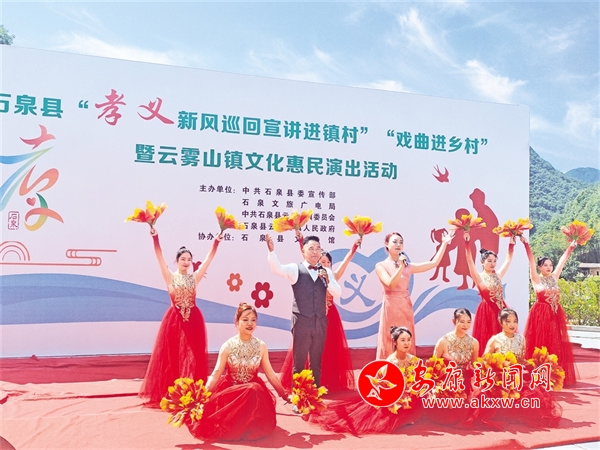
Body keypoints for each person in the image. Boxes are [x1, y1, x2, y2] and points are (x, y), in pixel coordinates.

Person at [138, 228, 222, 407]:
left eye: (189, 259)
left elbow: (208, 260)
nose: (186, 262)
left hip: (193, 321)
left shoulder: (194, 277)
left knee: (194, 356)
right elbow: (159, 256)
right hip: (174, 321)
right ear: (176, 261)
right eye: (183, 259)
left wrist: (216, 242)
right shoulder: (169, 276)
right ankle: (172, 393)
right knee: (173, 356)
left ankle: (192, 392)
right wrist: (155, 237)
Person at [187, 303, 288, 441]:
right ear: (237, 321)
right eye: (245, 319)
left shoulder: (261, 346)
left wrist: (284, 395)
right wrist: (201, 397)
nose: (250, 323)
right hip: (232, 395)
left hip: (254, 398)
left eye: (253, 320)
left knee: (253, 389)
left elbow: (270, 374)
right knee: (252, 389)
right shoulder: (228, 346)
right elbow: (216, 374)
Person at [279, 234, 361, 392]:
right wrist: (300, 239)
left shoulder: (331, 276)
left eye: (328, 262)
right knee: (305, 352)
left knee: (326, 352)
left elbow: (346, 261)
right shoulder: (310, 272)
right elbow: (305, 255)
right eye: (322, 262)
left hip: (330, 316)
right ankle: (303, 388)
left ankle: (325, 382)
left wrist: (354, 248)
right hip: (310, 317)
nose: (325, 264)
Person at [309, 326, 422, 435]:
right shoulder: (391, 362)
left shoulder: (414, 360)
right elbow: (385, 387)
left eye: (408, 340)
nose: (406, 343)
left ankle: (409, 413)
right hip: (392, 395)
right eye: (403, 340)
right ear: (395, 342)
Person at [266, 233, 341, 387]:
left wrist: (328, 281)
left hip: (320, 321)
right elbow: (277, 269)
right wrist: (272, 252)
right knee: (299, 362)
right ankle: (298, 396)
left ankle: (315, 394)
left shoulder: (326, 272)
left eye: (318, 249)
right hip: (301, 321)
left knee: (316, 362)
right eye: (311, 248)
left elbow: (337, 292)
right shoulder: (296, 269)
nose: (315, 252)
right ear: (303, 251)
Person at [375, 230, 455, 358]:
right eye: (395, 242)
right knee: (391, 338)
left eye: (401, 242)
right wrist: (401, 266)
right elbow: (390, 283)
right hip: (391, 307)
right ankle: (389, 366)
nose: (398, 244)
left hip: (405, 306)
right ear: (386, 244)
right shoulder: (381, 266)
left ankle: (408, 366)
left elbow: (433, 263)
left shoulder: (408, 266)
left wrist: (444, 243)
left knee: (406, 337)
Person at [521, 237, 578, 385]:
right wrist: (526, 244)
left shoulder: (554, 277)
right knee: (541, 342)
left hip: (555, 314)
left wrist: (571, 247)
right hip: (540, 315)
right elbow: (531, 261)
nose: (549, 267)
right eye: (545, 265)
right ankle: (539, 374)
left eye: (550, 265)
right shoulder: (536, 279)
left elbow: (562, 261)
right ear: (540, 267)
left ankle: (554, 374)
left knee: (555, 342)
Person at [464, 231, 515, 356]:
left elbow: (508, 260)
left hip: (501, 310)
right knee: (488, 338)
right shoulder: (479, 277)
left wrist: (511, 244)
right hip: (487, 311)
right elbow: (469, 261)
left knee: (504, 338)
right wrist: (467, 243)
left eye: (494, 261)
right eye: (489, 261)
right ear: (482, 262)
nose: (493, 264)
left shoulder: (498, 275)